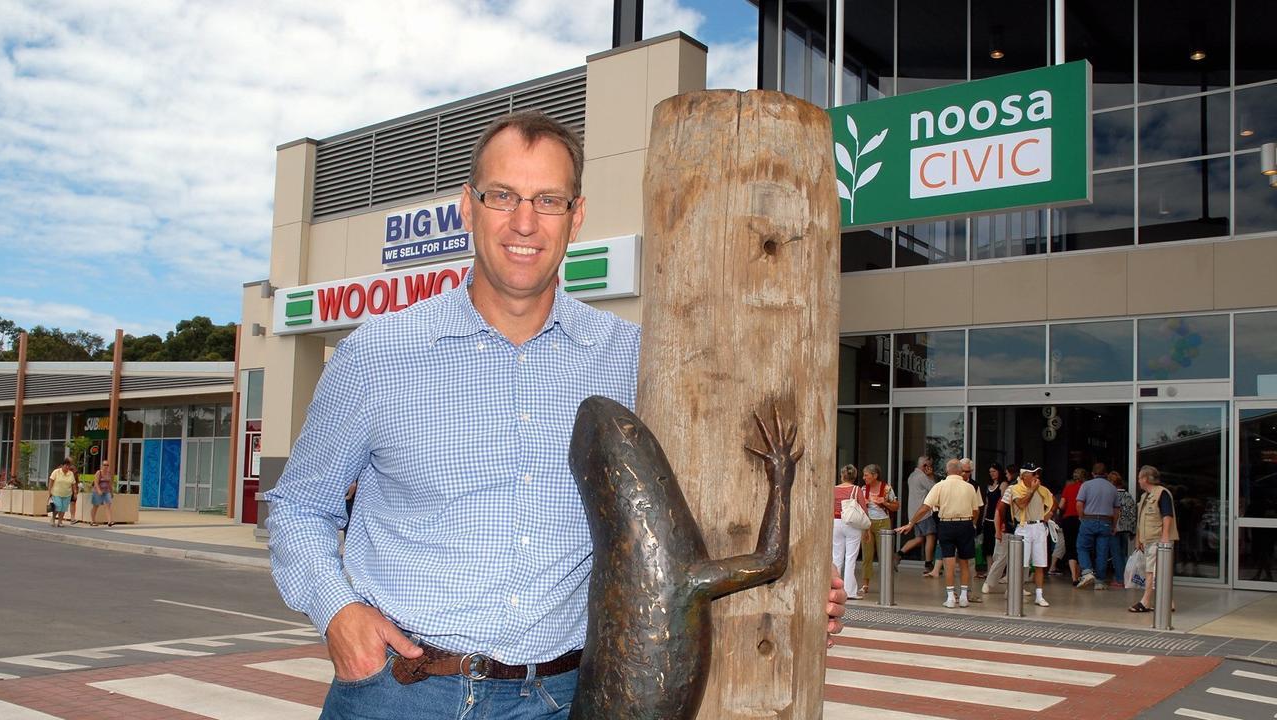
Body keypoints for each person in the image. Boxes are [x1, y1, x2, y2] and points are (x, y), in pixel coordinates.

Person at [264, 111, 846, 719]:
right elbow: (300, 505)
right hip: (403, 691)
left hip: (565, 698)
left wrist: (801, 589)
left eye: (548, 199)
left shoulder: (643, 364)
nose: (524, 222)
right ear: (467, 207)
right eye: (502, 196)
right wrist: (338, 611)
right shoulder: (378, 356)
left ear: (577, 216)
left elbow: (712, 503)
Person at [896, 459, 983, 608]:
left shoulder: (940, 486)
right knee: (964, 563)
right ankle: (963, 597)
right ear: (960, 471)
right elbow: (976, 510)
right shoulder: (969, 487)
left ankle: (950, 598)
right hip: (965, 524)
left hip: (946, 524)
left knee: (948, 563)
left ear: (947, 470)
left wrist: (911, 523)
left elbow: (925, 507)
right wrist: (972, 524)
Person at [1129, 465, 1179, 614]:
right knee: (1155, 571)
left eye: (1139, 478)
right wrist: (1139, 538)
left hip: (1158, 540)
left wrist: (1164, 537)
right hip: (1148, 540)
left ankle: (1145, 601)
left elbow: (1167, 516)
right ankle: (1168, 602)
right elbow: (1141, 519)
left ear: (1145, 478)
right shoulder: (1145, 496)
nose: (1138, 481)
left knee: (1152, 571)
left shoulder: (1162, 493)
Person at [1010, 462, 1055, 607]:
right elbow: (1021, 504)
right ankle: (1016, 591)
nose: (1036, 476)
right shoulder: (1016, 489)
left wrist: (1049, 513)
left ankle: (1039, 595)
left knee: (1040, 563)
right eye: (1033, 473)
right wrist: (1032, 490)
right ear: (1024, 475)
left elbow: (1053, 501)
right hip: (1024, 527)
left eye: (1037, 473)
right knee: (1021, 563)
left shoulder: (1042, 490)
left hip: (1039, 526)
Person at [1074, 462, 1120, 590]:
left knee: (1082, 547)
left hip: (1089, 519)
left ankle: (1087, 572)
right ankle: (1099, 581)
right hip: (1106, 521)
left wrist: (1081, 517)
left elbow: (1079, 504)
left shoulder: (1086, 485)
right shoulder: (1112, 488)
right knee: (1102, 552)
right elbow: (1116, 509)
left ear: (1093, 473)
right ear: (1106, 474)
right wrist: (1114, 525)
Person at [858, 463, 897, 596]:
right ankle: (865, 584)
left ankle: (885, 583)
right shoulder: (863, 489)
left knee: (884, 555)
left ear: (875, 475)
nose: (864, 477)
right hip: (867, 523)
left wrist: (884, 502)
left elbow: (896, 506)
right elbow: (858, 506)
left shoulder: (886, 488)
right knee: (867, 555)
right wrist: (863, 504)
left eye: (866, 475)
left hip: (883, 522)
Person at [897, 456, 938, 575]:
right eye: (929, 465)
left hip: (914, 513)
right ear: (925, 466)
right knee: (931, 536)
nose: (931, 468)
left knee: (919, 538)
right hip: (924, 512)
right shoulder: (922, 477)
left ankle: (899, 554)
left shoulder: (912, 476)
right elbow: (934, 489)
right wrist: (931, 476)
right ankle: (928, 563)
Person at [832, 465, 866, 599]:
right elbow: (863, 508)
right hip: (852, 524)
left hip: (836, 522)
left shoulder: (834, 489)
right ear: (855, 476)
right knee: (850, 558)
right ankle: (850, 591)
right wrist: (866, 527)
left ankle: (834, 587)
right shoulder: (856, 489)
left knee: (836, 557)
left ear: (842, 476)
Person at [1054, 467, 1084, 582]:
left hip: (1068, 520)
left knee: (1070, 547)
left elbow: (1061, 506)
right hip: (1081, 519)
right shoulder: (1085, 487)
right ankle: (1081, 573)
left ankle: (1073, 577)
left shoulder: (1068, 488)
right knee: (1081, 547)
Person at [979, 463, 1006, 577]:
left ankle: (998, 571)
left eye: (994, 471)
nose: (992, 474)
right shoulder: (989, 486)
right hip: (988, 519)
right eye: (990, 472)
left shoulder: (1003, 484)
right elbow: (987, 503)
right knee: (988, 546)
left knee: (998, 546)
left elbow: (1004, 503)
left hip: (998, 518)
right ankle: (990, 570)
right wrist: (983, 518)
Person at [1110, 471, 1136, 588]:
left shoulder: (1112, 496)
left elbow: (1112, 512)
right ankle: (1128, 578)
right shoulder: (1128, 496)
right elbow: (1133, 513)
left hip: (1115, 528)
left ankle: (1120, 579)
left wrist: (1113, 526)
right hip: (1126, 529)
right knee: (1124, 554)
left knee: (1116, 555)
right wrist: (1133, 529)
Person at [48, 458, 76, 528]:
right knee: (58, 506)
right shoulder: (56, 472)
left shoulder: (71, 473)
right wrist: (49, 491)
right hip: (56, 493)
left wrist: (75, 493)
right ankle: (53, 518)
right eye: (66, 465)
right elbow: (51, 481)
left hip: (67, 494)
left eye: (69, 466)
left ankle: (60, 521)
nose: (67, 467)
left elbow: (73, 484)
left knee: (63, 508)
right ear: (62, 465)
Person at [91, 459, 115, 527]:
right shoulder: (99, 472)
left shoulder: (109, 473)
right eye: (104, 465)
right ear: (102, 466)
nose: (106, 466)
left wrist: (111, 492)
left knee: (108, 505)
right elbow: (96, 482)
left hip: (106, 491)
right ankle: (93, 521)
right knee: (96, 506)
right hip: (97, 492)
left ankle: (109, 521)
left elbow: (110, 484)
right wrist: (98, 491)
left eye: (107, 465)